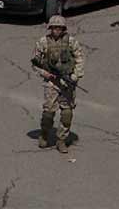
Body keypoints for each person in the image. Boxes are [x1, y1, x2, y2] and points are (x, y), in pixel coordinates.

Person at [32, 15, 84, 153]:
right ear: (50, 28)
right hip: (51, 83)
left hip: (68, 83)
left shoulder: (71, 42)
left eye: (59, 28)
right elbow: (35, 63)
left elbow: (79, 59)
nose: (56, 30)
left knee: (67, 113)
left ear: (63, 28)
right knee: (48, 113)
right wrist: (46, 74)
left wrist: (74, 76)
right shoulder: (43, 42)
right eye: (54, 28)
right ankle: (44, 134)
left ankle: (61, 140)